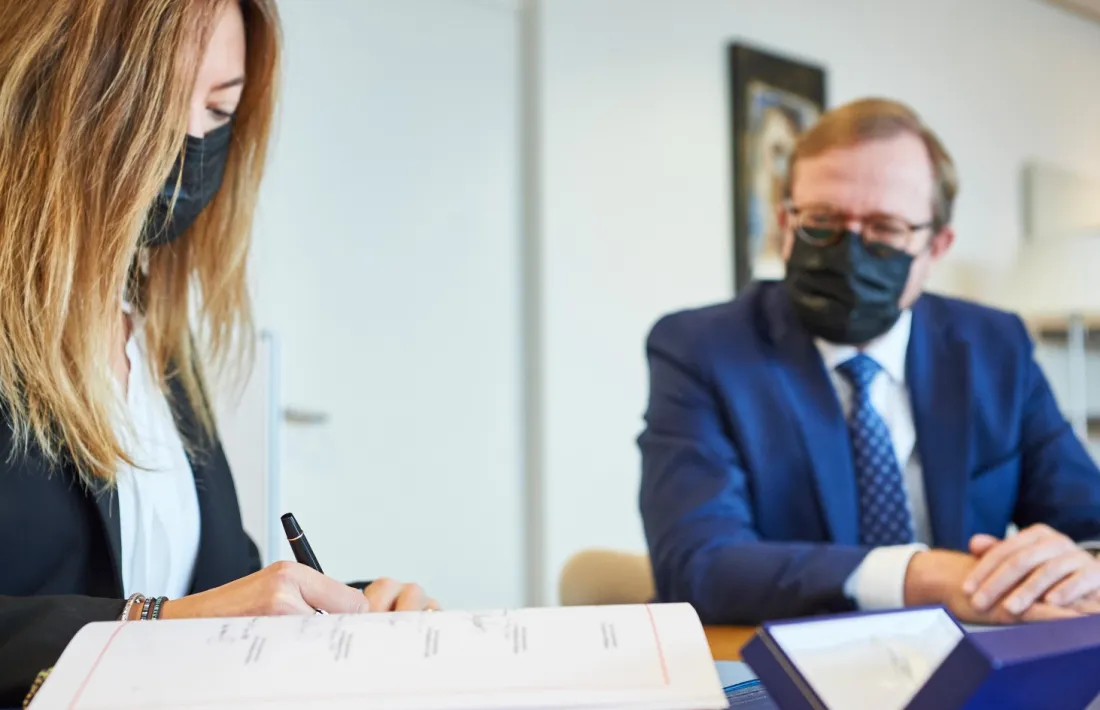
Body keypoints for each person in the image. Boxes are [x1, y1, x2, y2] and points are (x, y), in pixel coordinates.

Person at [0, 1, 436, 704]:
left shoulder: (159, 342)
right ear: (55, 93)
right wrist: (152, 625)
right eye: (164, 102)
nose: (195, 141)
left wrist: (348, 611)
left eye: (219, 109)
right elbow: (179, 617)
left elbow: (218, 595)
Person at [638, 97, 1100, 627]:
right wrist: (921, 576)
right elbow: (697, 563)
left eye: (884, 228)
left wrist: (1082, 567)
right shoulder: (704, 348)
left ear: (938, 246)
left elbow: (1088, 518)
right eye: (822, 220)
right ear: (787, 226)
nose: (848, 251)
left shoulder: (994, 346)